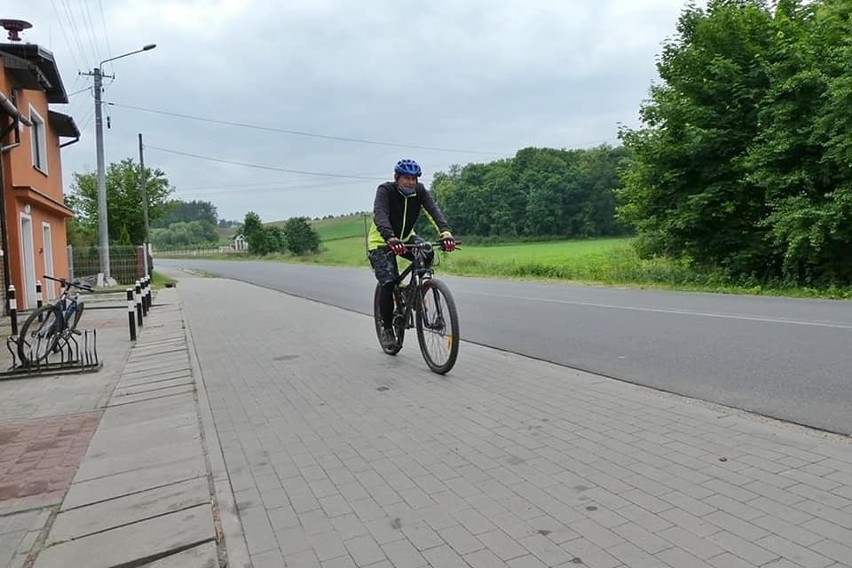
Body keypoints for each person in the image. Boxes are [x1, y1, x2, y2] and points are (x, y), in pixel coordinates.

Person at [368, 159, 456, 349]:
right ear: (396, 178)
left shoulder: (420, 191)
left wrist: (445, 232)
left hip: (407, 238)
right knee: (389, 282)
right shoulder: (385, 190)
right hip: (381, 242)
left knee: (427, 252)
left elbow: (434, 211)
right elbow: (380, 214)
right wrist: (390, 237)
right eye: (407, 178)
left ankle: (414, 292)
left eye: (414, 179)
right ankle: (387, 328)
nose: (411, 182)